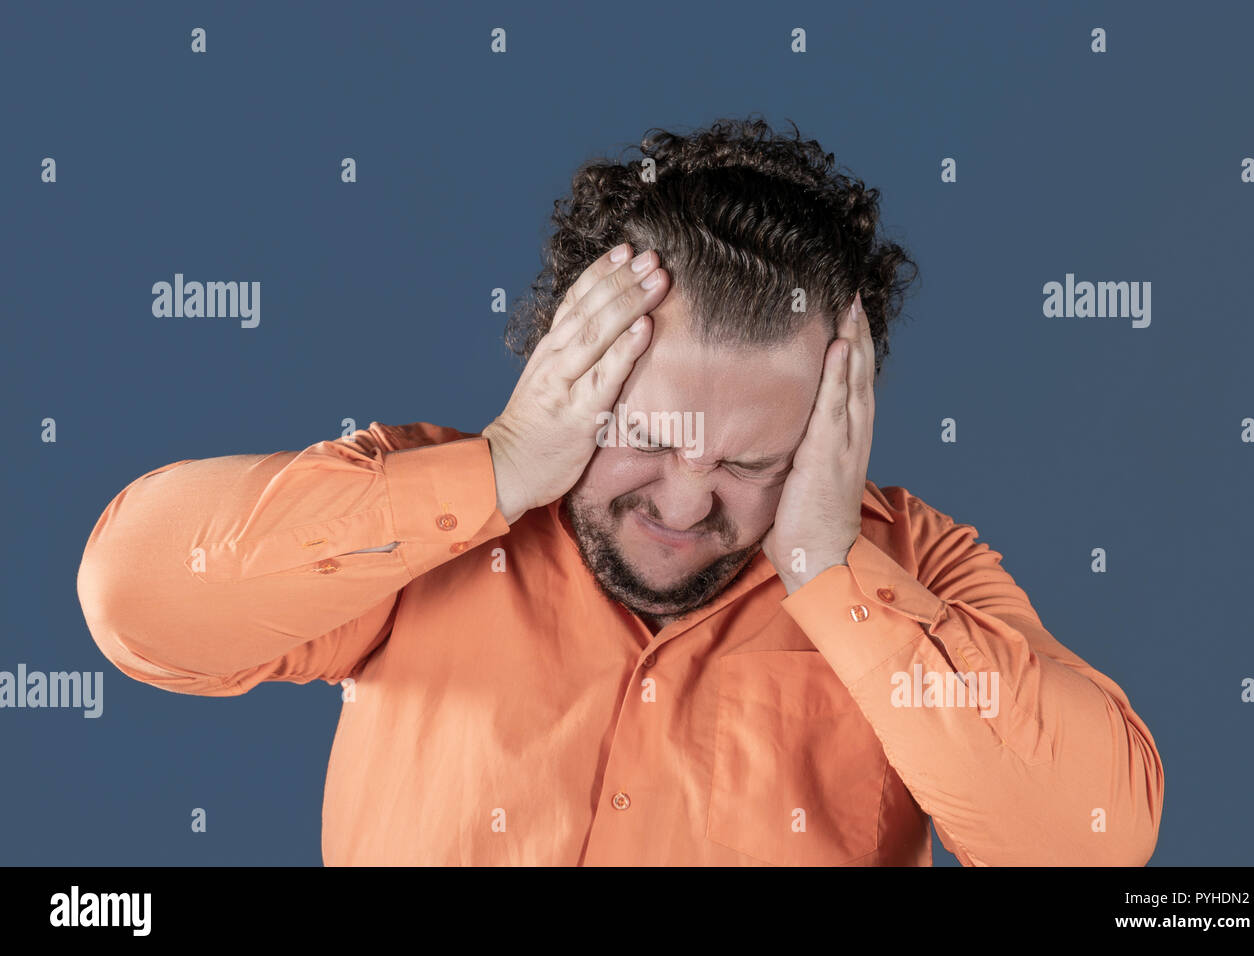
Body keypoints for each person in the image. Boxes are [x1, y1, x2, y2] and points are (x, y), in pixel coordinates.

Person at [76, 116, 1163, 865]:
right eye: (644, 438)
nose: (687, 504)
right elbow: (137, 598)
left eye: (752, 463)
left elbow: (1089, 836)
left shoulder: (912, 570)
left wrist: (830, 572)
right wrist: (498, 471)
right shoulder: (429, 514)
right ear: (568, 370)